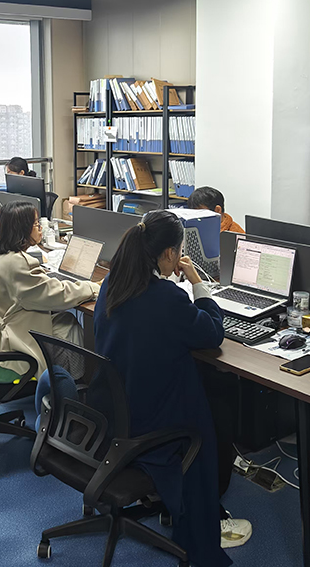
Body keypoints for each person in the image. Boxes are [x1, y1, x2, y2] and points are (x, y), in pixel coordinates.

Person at [94, 210, 249, 566]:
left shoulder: (113, 283)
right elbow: (212, 332)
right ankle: (202, 527)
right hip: (154, 422)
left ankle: (176, 498)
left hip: (115, 411)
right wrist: (197, 283)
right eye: (178, 252)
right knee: (217, 406)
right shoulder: (165, 297)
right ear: (168, 254)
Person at [0, 201, 96, 377]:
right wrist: (92, 287)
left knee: (64, 320)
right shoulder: (17, 263)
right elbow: (57, 295)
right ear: (22, 229)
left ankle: (64, 381)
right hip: (5, 347)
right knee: (68, 325)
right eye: (36, 224)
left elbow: (37, 290)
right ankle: (67, 385)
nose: (40, 228)